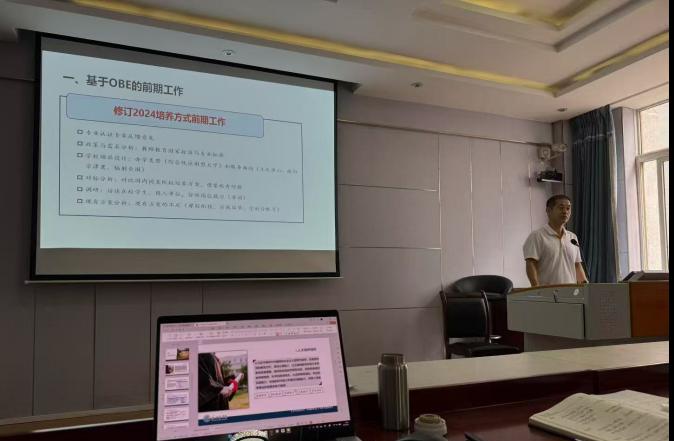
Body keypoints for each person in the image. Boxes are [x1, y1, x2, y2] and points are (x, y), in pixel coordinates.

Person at [523, 194, 588, 287]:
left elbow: (577, 265)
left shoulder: (572, 237)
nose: (565, 212)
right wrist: (536, 288)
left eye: (568, 208)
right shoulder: (537, 236)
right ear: (548, 211)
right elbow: (531, 264)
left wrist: (586, 287)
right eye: (561, 208)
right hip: (548, 292)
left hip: (571, 291)